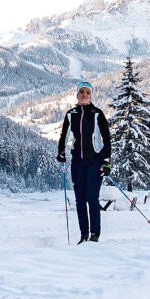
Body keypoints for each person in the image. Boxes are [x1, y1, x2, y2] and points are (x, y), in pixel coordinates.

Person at [56, 81, 112, 243]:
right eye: (82, 92)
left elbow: (107, 138)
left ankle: (95, 235)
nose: (85, 95)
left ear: (91, 95)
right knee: (80, 200)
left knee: (92, 199)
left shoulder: (97, 113)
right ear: (77, 94)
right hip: (77, 162)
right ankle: (84, 235)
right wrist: (61, 152)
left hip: (96, 161)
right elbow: (64, 136)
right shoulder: (70, 114)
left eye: (88, 92)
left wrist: (107, 162)